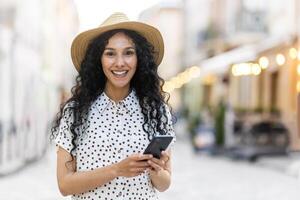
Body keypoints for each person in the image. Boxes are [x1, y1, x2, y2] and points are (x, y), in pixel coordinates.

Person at [50, 12, 176, 200]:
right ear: (98, 59)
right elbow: (64, 185)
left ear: (139, 58)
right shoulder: (75, 112)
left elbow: (164, 184)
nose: (120, 63)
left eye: (128, 53)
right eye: (110, 53)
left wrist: (156, 170)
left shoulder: (157, 111)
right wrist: (117, 170)